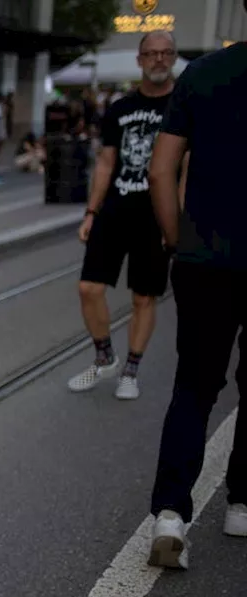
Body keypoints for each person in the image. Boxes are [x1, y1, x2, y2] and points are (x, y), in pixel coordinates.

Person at [146, 28, 247, 568]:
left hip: (204, 258)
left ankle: (170, 513)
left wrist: (174, 237)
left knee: (194, 386)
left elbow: (161, 170)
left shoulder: (202, 74)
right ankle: (242, 504)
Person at [67, 30, 178, 400]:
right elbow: (105, 163)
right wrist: (91, 211)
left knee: (144, 297)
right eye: (152, 53)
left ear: (173, 57)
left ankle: (131, 370)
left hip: (156, 215)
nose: (159, 59)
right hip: (116, 209)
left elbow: (189, 168)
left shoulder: (184, 105)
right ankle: (105, 357)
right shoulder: (120, 108)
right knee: (88, 288)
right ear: (140, 59)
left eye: (166, 53)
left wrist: (174, 221)